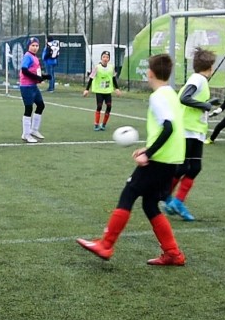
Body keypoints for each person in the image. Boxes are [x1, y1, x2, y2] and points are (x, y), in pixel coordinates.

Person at [76, 53, 186, 266]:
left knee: (130, 192)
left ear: (150, 73)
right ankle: (173, 253)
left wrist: (149, 153)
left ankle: (106, 244)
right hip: (172, 159)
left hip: (160, 159)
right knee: (150, 204)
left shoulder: (158, 97)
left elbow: (169, 128)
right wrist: (148, 147)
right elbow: (171, 127)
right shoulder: (172, 94)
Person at [163, 48, 219, 222]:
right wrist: (205, 106)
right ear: (209, 67)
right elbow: (184, 98)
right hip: (187, 128)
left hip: (197, 130)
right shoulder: (198, 78)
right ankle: (165, 196)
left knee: (195, 168)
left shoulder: (200, 80)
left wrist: (206, 103)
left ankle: (177, 202)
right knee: (182, 167)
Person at [19, 36, 51, 143]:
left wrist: (44, 76)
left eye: (37, 45)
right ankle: (26, 134)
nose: (35, 47)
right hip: (26, 86)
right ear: (29, 46)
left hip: (33, 86)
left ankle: (34, 130)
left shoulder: (35, 57)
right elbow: (24, 70)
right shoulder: (28, 56)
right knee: (28, 109)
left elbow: (35, 73)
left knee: (41, 105)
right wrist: (37, 78)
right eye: (33, 45)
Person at [83, 50, 121, 130]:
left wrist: (117, 88)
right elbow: (91, 78)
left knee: (109, 106)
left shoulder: (111, 67)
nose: (105, 58)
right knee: (99, 106)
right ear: (101, 58)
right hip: (99, 91)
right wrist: (87, 89)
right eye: (104, 57)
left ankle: (103, 124)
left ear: (109, 59)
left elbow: (114, 78)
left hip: (107, 91)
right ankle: (96, 124)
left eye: (107, 57)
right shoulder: (97, 67)